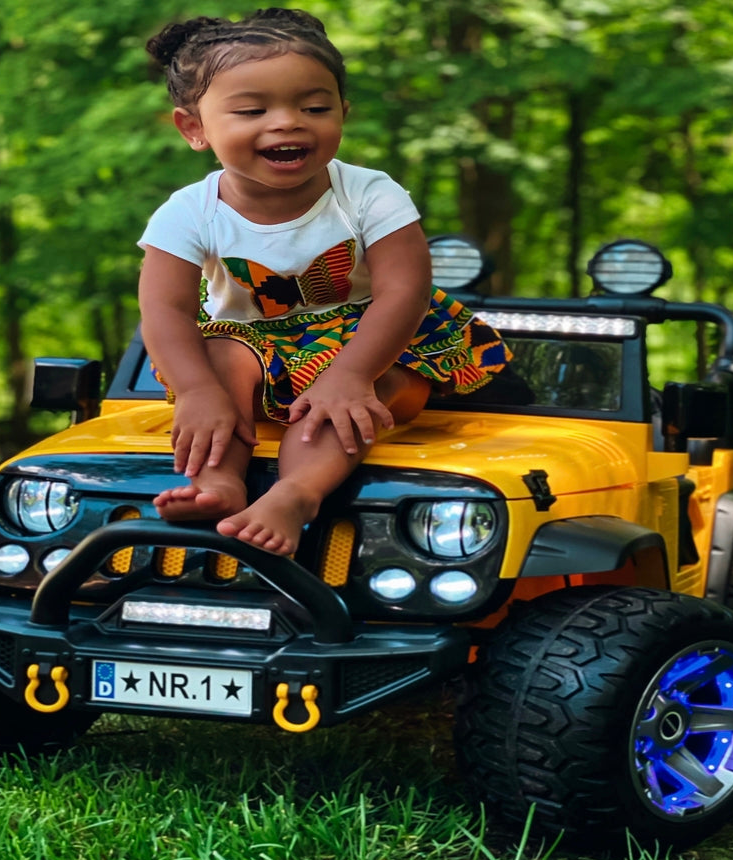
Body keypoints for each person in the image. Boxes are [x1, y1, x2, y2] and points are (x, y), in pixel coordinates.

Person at [138, 8, 510, 556]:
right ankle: (219, 481)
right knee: (219, 355)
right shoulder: (188, 212)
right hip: (251, 357)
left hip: (372, 346)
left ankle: (297, 493)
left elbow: (403, 290)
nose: (288, 122)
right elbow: (166, 311)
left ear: (342, 112)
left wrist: (353, 372)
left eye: (315, 107)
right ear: (194, 128)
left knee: (359, 396)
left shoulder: (370, 193)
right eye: (252, 110)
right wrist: (196, 392)